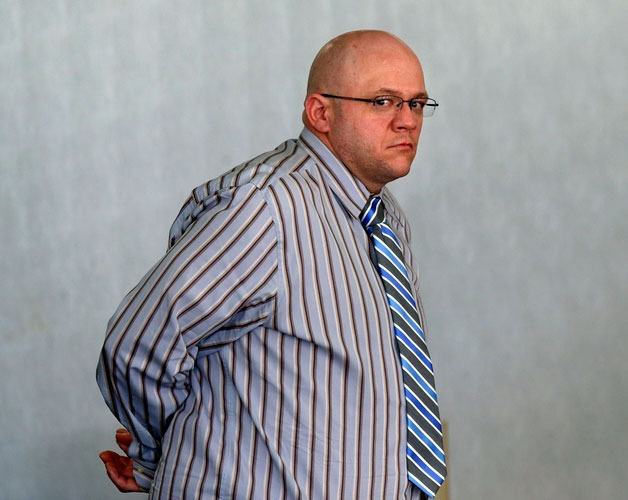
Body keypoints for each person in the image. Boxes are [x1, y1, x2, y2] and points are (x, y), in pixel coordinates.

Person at [97, 29, 446, 500]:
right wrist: (162, 449)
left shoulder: (386, 221)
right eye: (383, 102)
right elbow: (138, 345)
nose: (406, 121)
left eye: (417, 103)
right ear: (321, 112)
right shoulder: (264, 208)